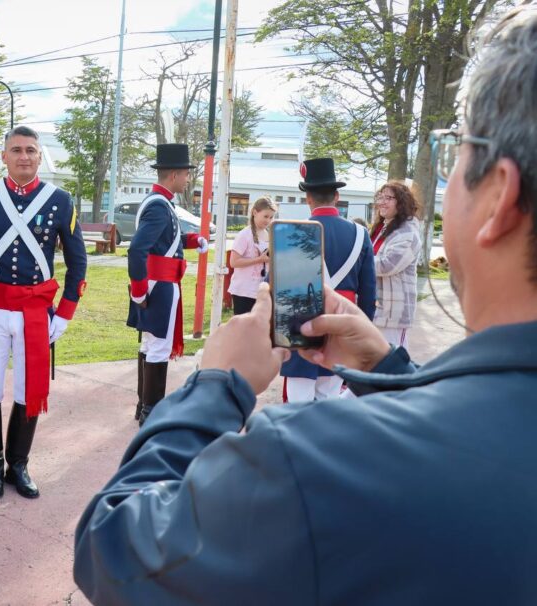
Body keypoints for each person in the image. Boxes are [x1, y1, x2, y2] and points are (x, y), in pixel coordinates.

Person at [74, 8, 537, 603]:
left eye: (456, 155)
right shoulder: (342, 233)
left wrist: (216, 385)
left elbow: (112, 548)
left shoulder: (318, 457)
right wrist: (391, 372)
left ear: (499, 195)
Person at [0, 125, 87, 500]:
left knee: (31, 389)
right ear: (4, 156)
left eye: (31, 150)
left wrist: (64, 313)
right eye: (16, 150)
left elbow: (77, 262)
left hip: (35, 311)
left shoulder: (60, 200)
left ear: (39, 155)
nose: (24, 156)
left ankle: (19, 464)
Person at [279, 158, 376, 402]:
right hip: (342, 324)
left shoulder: (293, 232)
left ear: (308, 198)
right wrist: (360, 330)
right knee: (329, 400)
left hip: (300, 325)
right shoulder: (360, 233)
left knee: (297, 403)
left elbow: (278, 288)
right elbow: (368, 292)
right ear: (336, 196)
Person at [127, 143, 209, 425]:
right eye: (186, 174)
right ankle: (152, 412)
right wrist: (138, 290)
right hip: (158, 284)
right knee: (158, 348)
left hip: (156, 281)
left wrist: (192, 239)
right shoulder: (160, 207)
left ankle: (144, 407)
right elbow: (138, 249)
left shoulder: (159, 203)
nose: (188, 179)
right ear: (174, 175)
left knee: (150, 346)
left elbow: (164, 242)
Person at [370, 181, 423, 347]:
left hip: (393, 313)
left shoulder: (407, 232)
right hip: (377, 310)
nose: (382, 202)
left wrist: (359, 260)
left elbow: (387, 265)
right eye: (381, 197)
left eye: (389, 198)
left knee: (392, 365)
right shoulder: (383, 228)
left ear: (401, 203)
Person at [226, 196, 276, 315]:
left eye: (271, 217)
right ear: (254, 212)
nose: (268, 220)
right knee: (243, 330)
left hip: (263, 291)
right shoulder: (244, 235)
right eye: (265, 216)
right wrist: (259, 259)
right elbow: (233, 262)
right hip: (244, 292)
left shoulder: (270, 234)